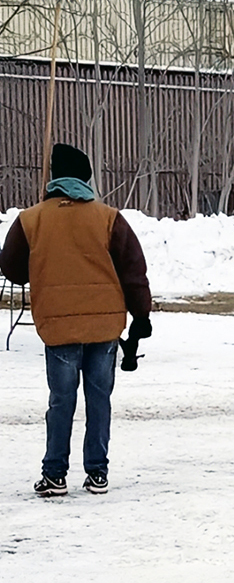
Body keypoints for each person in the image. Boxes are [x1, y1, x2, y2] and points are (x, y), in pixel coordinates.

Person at [0, 143, 152, 497]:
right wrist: (141, 315)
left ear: (54, 178)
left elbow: (11, 269)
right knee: (99, 399)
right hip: (104, 325)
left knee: (61, 401)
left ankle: (55, 474)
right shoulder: (109, 217)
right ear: (85, 177)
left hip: (58, 325)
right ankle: (97, 472)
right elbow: (133, 272)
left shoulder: (31, 219)